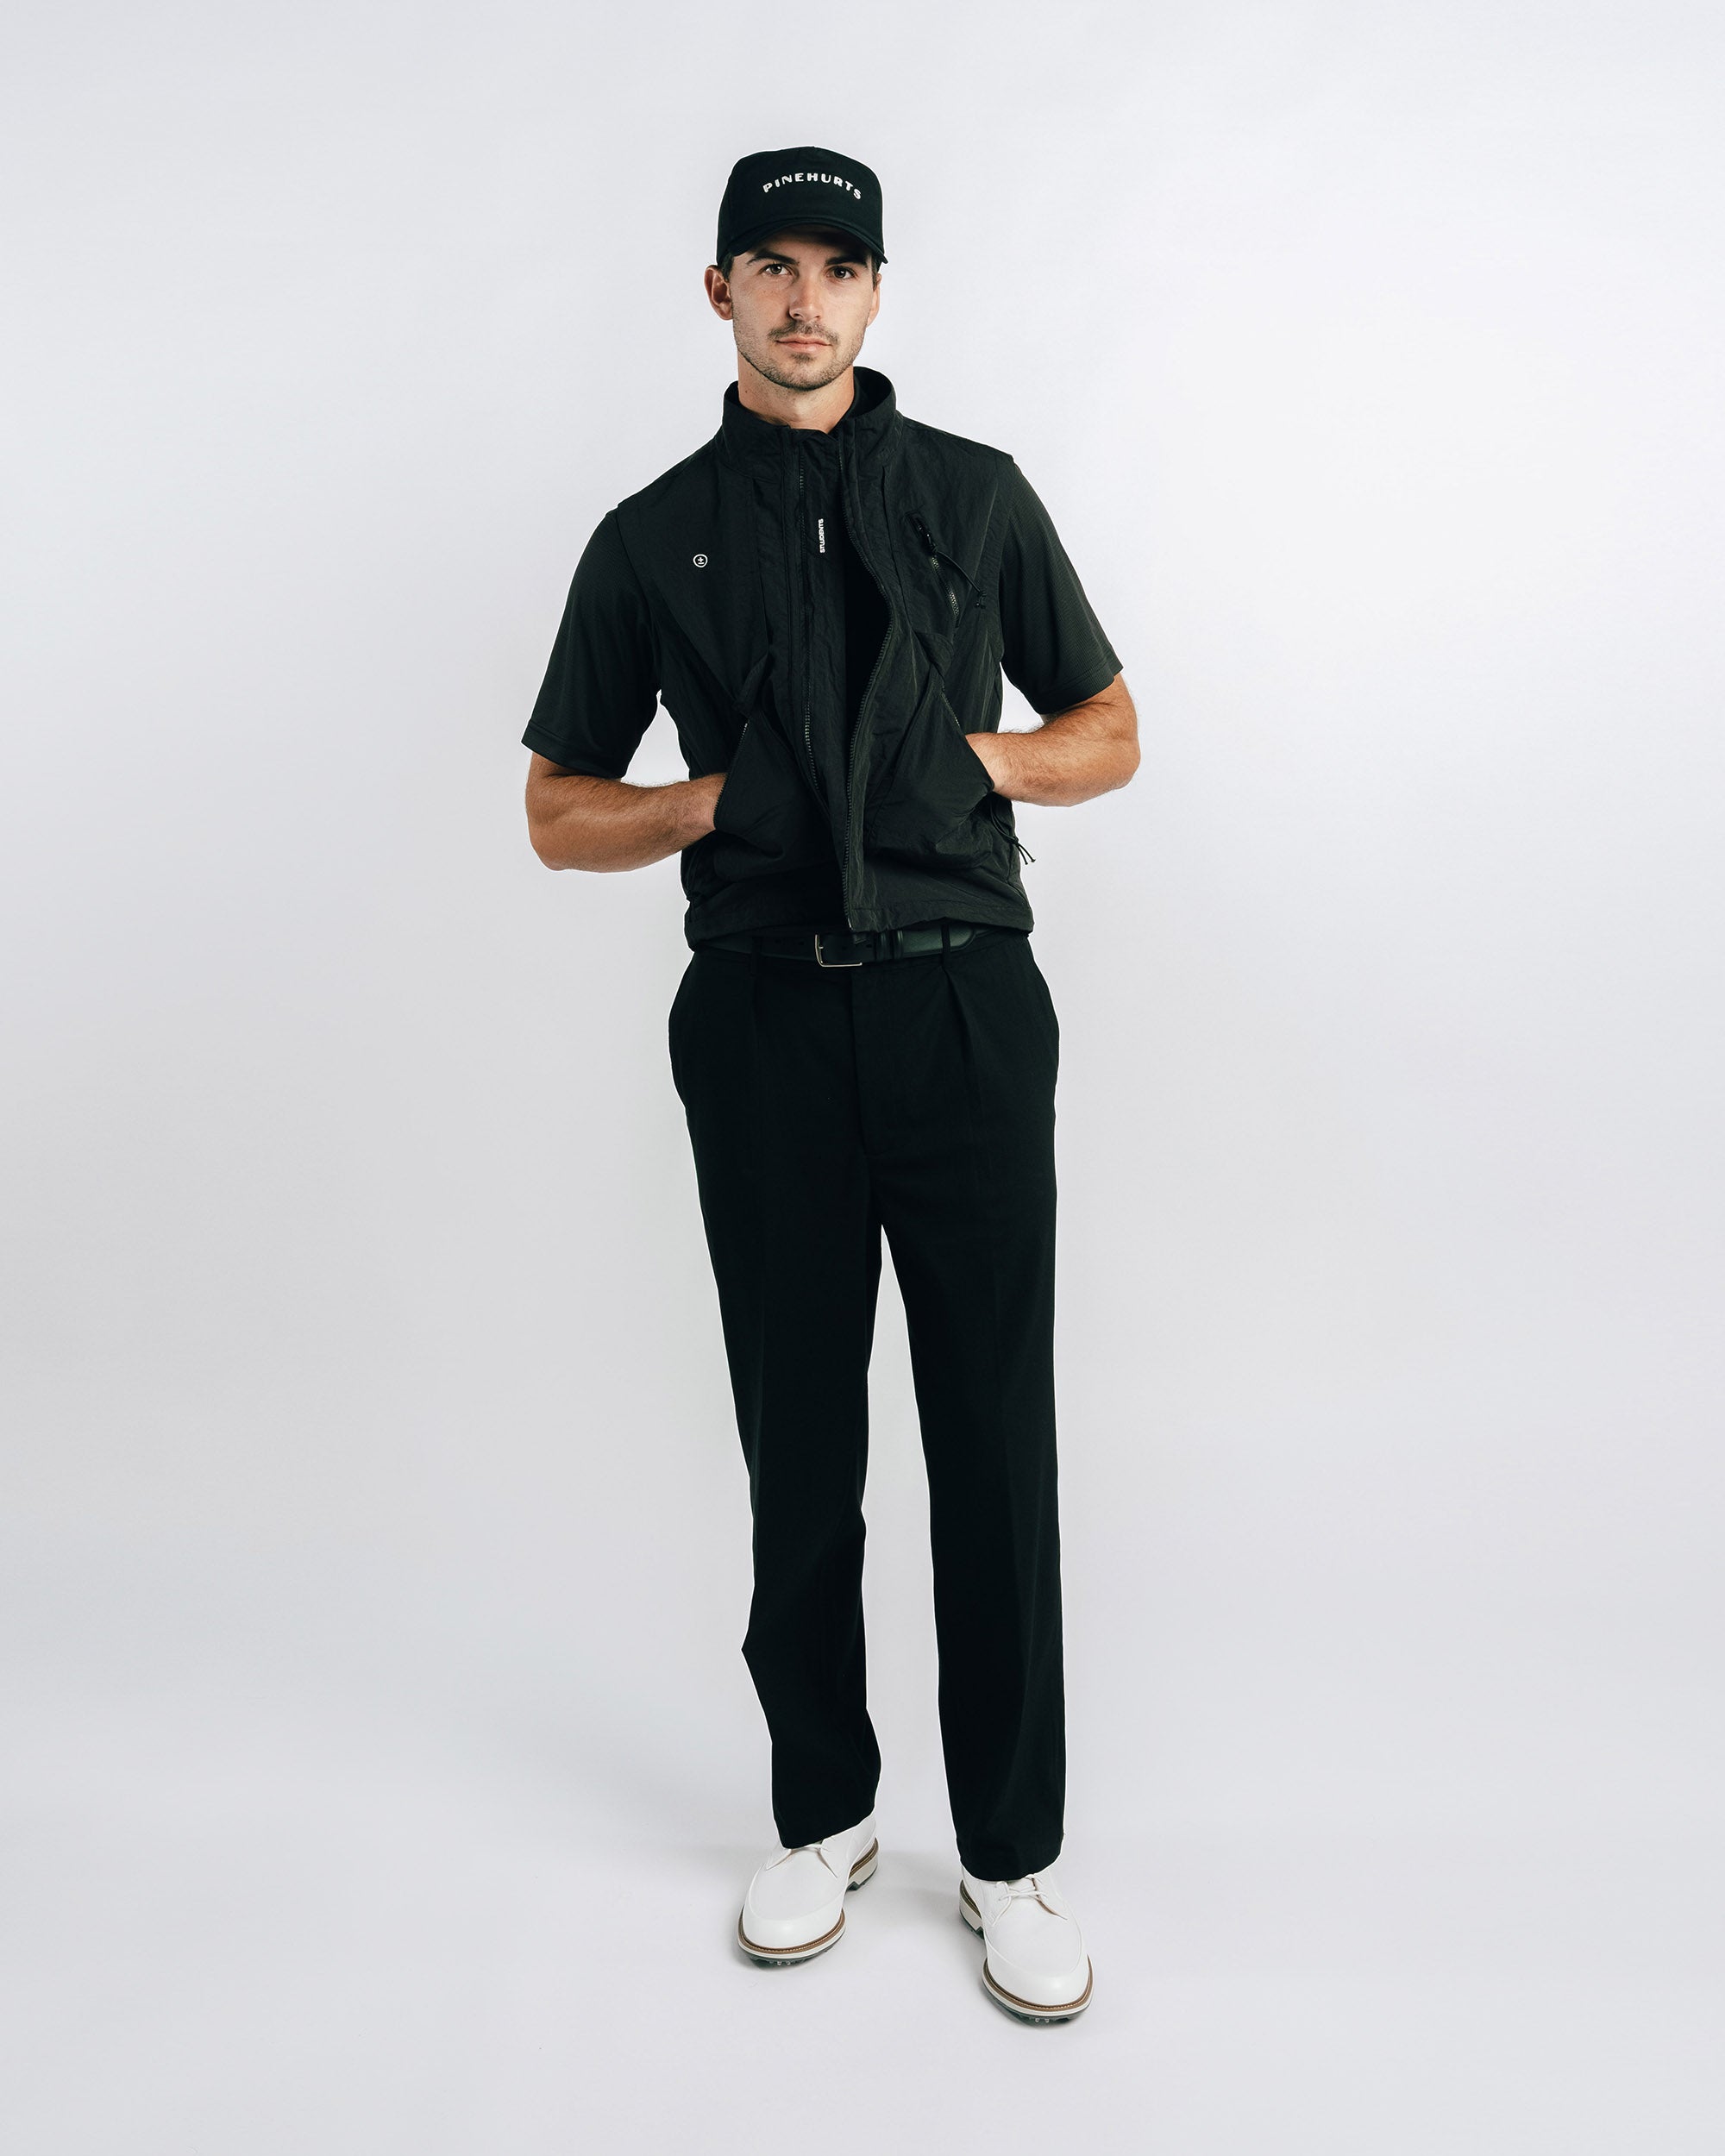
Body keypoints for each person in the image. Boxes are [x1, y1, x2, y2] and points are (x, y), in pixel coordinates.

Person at [522, 146, 1137, 2025]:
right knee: (801, 1437)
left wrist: (971, 767)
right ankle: (822, 1810)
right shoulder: (652, 535)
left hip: (963, 1011)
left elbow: (1106, 730)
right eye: (769, 266)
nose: (805, 299)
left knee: (992, 1439)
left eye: (837, 266)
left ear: (879, 294)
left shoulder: (975, 494)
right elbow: (557, 813)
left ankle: (1012, 1856)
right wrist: (716, 802)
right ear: (718, 293)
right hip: (768, 1020)